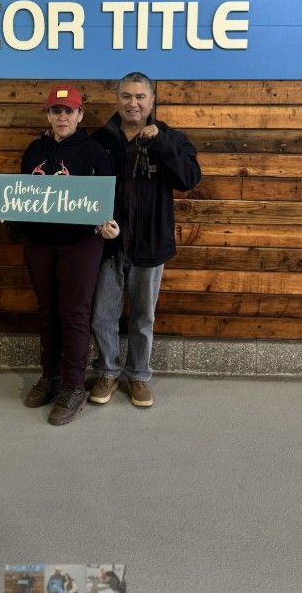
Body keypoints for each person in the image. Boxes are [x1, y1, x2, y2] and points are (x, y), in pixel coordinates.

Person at [89, 72, 201, 407]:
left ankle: (138, 375)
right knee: (101, 316)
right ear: (117, 99)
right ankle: (107, 371)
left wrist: (161, 143)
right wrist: (96, 224)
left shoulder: (171, 138)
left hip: (151, 244)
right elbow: (83, 192)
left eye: (140, 97)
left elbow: (189, 179)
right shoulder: (99, 140)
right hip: (108, 245)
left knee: (142, 318)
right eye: (126, 96)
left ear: (152, 101)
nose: (133, 103)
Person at [19, 85, 119, 426]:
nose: (63, 117)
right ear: (49, 114)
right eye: (56, 111)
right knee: (47, 310)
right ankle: (51, 377)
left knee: (74, 313)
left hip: (81, 245)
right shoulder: (34, 150)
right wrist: (5, 208)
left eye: (69, 111)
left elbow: (107, 202)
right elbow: (22, 194)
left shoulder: (95, 152)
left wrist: (110, 226)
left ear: (80, 115)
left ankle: (75, 386)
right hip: (39, 244)